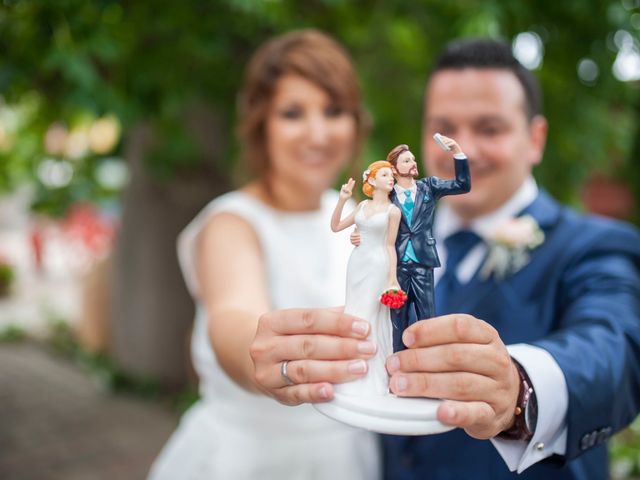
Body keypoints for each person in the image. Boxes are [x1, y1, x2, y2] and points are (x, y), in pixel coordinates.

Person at [250, 38, 640, 479]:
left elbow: (614, 350)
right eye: (445, 127)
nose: (466, 144)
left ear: (535, 139)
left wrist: (518, 386)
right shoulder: (389, 225)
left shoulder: (597, 245)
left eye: (489, 128)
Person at [148, 29, 380, 480]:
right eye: (293, 113)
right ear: (262, 124)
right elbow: (232, 315)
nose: (317, 133)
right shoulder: (231, 222)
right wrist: (261, 355)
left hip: (347, 457)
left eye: (333, 111)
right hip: (245, 460)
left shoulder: (362, 217)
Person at [383, 139, 470, 352]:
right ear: (394, 169)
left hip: (423, 262)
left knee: (427, 319)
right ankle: (395, 366)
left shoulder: (429, 187)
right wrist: (359, 233)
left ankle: (429, 362)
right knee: (396, 321)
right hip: (397, 266)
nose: (413, 162)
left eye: (413, 158)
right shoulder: (387, 195)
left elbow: (462, 185)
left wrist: (457, 152)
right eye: (406, 160)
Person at [330, 161, 401, 396]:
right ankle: (349, 368)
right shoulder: (361, 206)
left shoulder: (393, 211)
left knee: (371, 315)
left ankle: (370, 374)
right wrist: (342, 199)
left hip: (378, 264)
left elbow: (390, 246)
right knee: (355, 311)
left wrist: (392, 278)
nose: (390, 178)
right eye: (384, 174)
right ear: (371, 180)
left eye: (392, 175)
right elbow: (336, 226)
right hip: (357, 263)